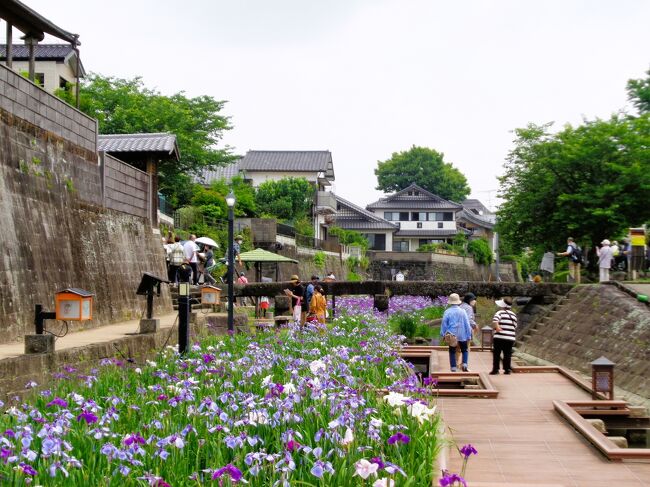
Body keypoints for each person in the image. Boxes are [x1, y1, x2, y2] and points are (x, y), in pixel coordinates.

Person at [440, 293, 472, 372]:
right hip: (462, 334)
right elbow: (467, 323)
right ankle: (464, 364)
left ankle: (453, 367)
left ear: (450, 302)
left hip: (452, 334)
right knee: (464, 350)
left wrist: (443, 334)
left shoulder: (447, 312)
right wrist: (469, 335)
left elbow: (444, 323)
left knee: (452, 351)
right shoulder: (463, 311)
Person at [490, 297, 518, 375]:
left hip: (499, 337)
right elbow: (515, 326)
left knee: (497, 353)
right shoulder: (514, 315)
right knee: (507, 354)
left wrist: (497, 327)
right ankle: (507, 369)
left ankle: (495, 370)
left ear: (503, 305)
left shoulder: (499, 312)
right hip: (510, 338)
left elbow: (495, 320)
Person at [457, 293, 478, 369]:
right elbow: (469, 319)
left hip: (458, 331)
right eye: (473, 299)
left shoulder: (460, 306)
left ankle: (456, 365)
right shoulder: (469, 308)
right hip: (466, 331)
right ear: (469, 300)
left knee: (458, 349)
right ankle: (464, 365)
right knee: (466, 349)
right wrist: (475, 325)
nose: (475, 301)